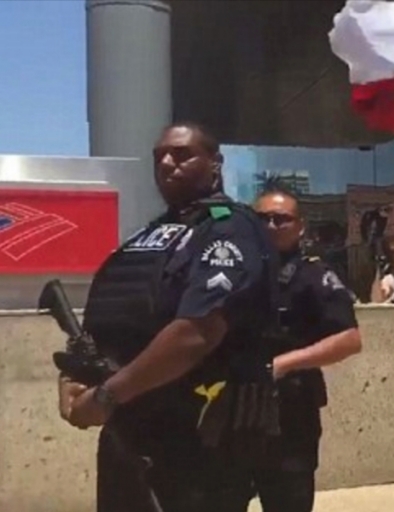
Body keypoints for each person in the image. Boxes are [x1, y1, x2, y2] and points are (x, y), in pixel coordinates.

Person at [58, 122, 280, 512]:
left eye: (182, 154)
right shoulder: (152, 234)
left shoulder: (231, 227)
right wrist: (73, 380)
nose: (166, 163)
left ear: (215, 163)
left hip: (200, 438)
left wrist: (108, 395)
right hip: (131, 430)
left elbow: (196, 332)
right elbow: (109, 319)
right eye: (159, 155)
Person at [252, 188, 363, 512]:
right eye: (262, 219)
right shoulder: (236, 273)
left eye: (281, 219)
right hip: (235, 412)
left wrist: (283, 363)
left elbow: (349, 338)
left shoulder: (313, 275)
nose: (271, 226)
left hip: (289, 412)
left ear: (300, 226)